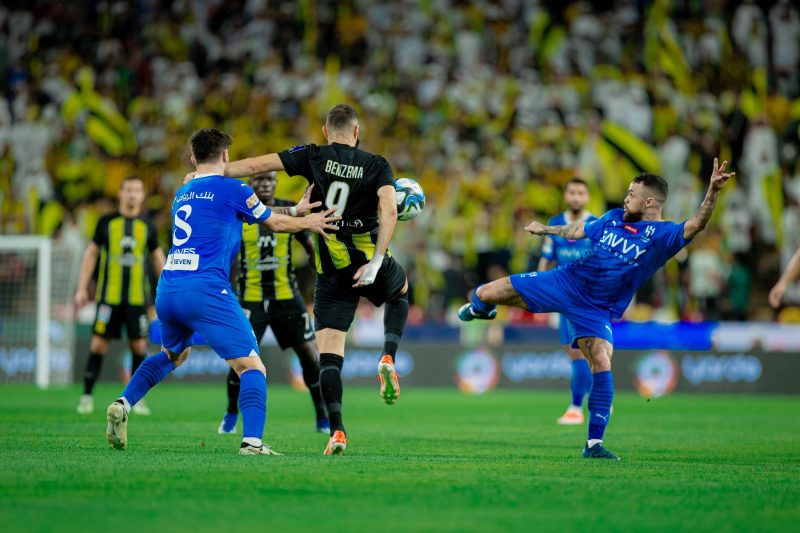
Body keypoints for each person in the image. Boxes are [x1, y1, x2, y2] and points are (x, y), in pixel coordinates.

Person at [459, 159, 734, 460]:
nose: (626, 197)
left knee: (601, 360)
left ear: (650, 201)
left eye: (632, 193)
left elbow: (697, 224)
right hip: (566, 280)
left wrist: (713, 191)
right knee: (485, 292)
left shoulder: (663, 235)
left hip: (596, 308)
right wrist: (547, 229)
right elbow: (579, 229)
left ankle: (593, 445)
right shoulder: (614, 216)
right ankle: (481, 310)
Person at [104, 128, 340, 455]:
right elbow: (272, 222)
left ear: (192, 158)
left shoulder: (183, 192)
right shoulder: (233, 188)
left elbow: (254, 215)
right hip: (206, 289)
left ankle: (123, 403)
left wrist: (296, 211)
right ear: (226, 156)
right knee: (253, 368)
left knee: (173, 354)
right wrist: (310, 222)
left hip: (169, 287)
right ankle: (252, 442)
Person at [201, 104, 410, 456]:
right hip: (367, 262)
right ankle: (388, 356)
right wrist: (376, 262)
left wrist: (212, 172)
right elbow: (389, 210)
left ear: (326, 131)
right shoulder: (377, 164)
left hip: (331, 274)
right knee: (401, 292)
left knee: (329, 357)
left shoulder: (312, 155)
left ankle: (338, 431)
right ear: (356, 132)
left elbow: (255, 166)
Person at [218, 170, 329, 436]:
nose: (265, 184)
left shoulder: (290, 210)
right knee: (240, 360)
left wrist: (321, 271)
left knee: (310, 357)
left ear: (276, 183)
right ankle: (232, 412)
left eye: (270, 180)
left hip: (286, 299)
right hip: (251, 300)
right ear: (252, 184)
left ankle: (322, 417)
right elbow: (227, 254)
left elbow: (308, 243)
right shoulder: (240, 212)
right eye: (260, 180)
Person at [74, 176, 165, 416]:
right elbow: (91, 254)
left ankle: (137, 399)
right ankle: (86, 396)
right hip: (108, 298)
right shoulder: (106, 222)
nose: (132, 194)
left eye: (137, 190)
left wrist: (168, 289)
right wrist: (82, 288)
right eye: (128, 189)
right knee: (98, 344)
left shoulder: (148, 226)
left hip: (137, 300)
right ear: (120, 193)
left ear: (143, 195)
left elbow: (157, 258)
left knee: (139, 347)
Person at [537, 178, 596, 425]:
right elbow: (546, 258)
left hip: (588, 297)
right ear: (565, 195)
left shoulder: (595, 224)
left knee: (580, 352)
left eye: (580, 192)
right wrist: (538, 288)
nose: (575, 197)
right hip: (563, 297)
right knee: (581, 353)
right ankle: (600, 396)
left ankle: (575, 408)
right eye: (571, 192)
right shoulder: (555, 224)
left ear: (587, 197)